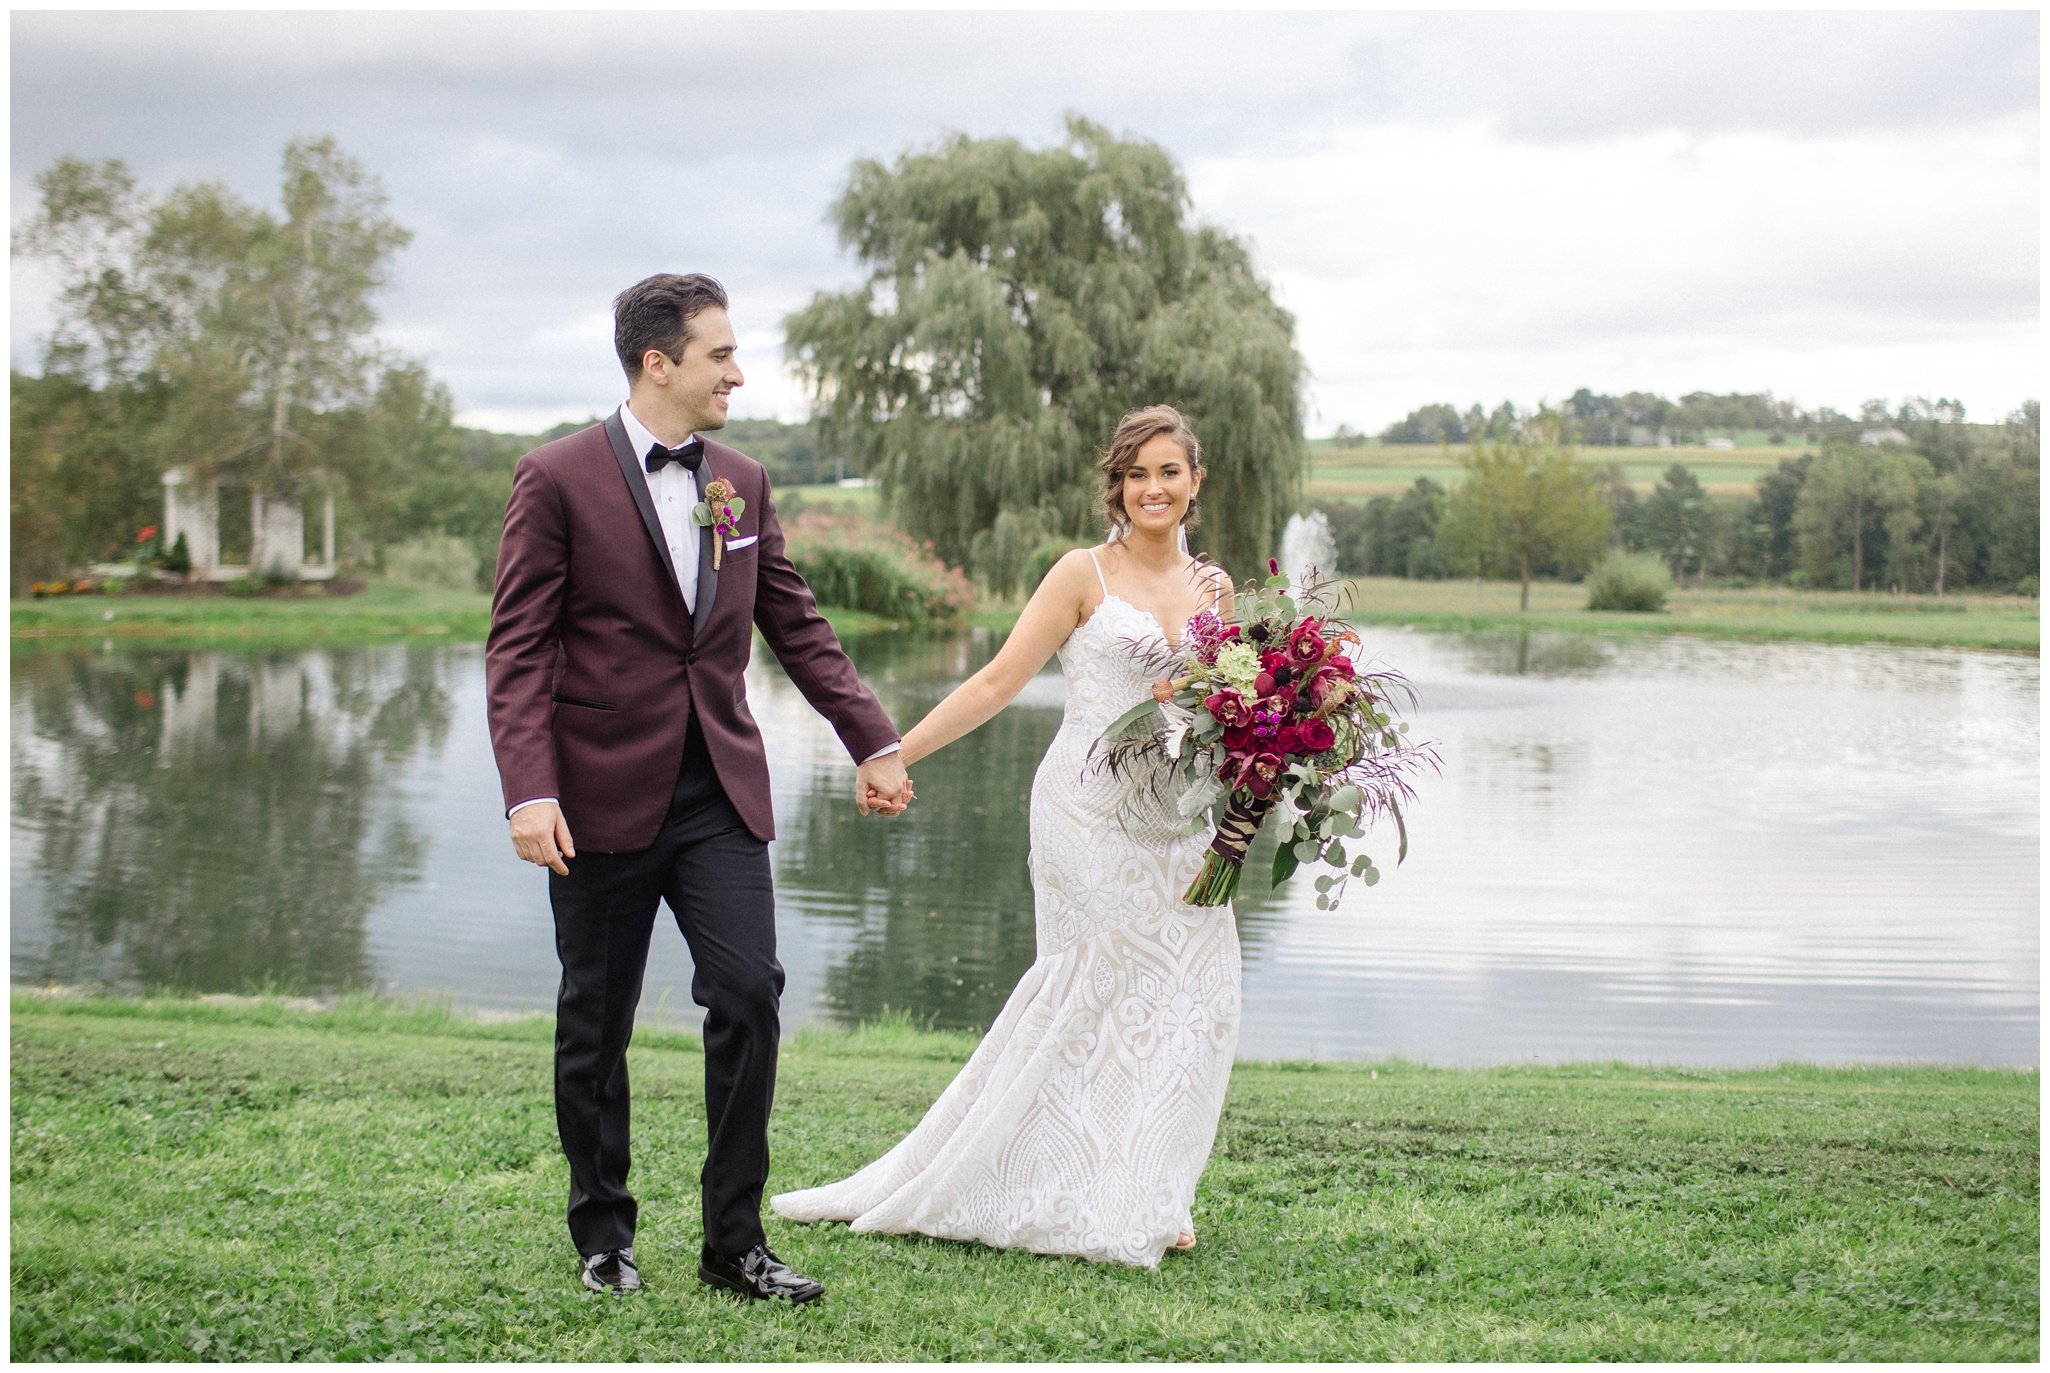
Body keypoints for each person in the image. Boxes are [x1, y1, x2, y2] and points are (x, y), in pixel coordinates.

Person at [485, 272, 912, 1302]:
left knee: (750, 994)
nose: (738, 370)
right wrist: (527, 788)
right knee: (596, 1016)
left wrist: (873, 738)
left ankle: (734, 1241)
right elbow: (518, 649)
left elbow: (795, 623)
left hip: (719, 787)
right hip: (593, 796)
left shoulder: (744, 481)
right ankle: (603, 1233)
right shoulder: (554, 478)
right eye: (719, 353)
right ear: (657, 362)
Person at [773, 404, 1239, 1268]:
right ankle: (1073, 1181)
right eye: (1137, 473)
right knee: (1097, 988)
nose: (1153, 488)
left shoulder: (1216, 589)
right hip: (1088, 811)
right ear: (1118, 485)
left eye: (1169, 471)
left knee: (1190, 997)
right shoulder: (1081, 575)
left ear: (1195, 482)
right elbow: (994, 683)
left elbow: (1228, 707)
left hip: (1180, 819)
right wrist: (891, 753)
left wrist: (1278, 752)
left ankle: (1148, 1186)